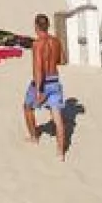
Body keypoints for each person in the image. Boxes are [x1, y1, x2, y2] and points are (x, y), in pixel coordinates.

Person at [22, 14, 68, 160]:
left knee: (27, 107)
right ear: (48, 26)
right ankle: (60, 153)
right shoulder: (55, 41)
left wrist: (39, 90)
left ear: (36, 27)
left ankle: (34, 137)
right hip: (55, 80)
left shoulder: (37, 44)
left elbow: (38, 68)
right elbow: (62, 60)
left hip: (43, 82)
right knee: (58, 119)